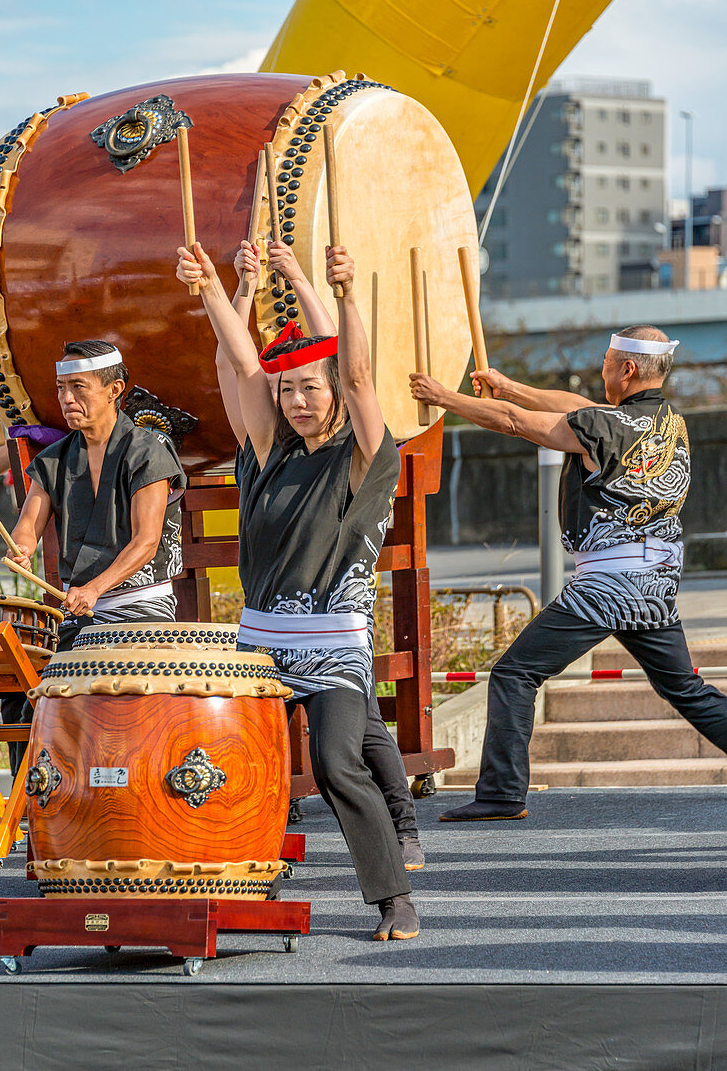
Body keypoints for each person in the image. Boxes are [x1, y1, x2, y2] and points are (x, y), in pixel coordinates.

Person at [177, 237, 420, 940]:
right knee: (223, 759)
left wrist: (343, 295)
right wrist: (213, 290)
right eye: (290, 389)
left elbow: (363, 377)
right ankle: (228, 882)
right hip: (258, 652)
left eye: (313, 386)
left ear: (334, 393)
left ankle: (394, 897)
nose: (300, 398)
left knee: (336, 760)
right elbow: (241, 361)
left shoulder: (366, 458)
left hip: (333, 653)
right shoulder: (265, 452)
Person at [410, 326, 727, 822]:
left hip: (609, 585)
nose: (600, 371)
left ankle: (501, 794)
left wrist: (444, 398)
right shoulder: (665, 422)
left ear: (626, 369)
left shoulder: (607, 427)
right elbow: (574, 405)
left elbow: (516, 424)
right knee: (685, 689)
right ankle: (502, 792)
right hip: (657, 582)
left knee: (515, 673)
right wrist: (508, 384)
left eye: (606, 361)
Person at [0, 340, 186, 774]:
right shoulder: (54, 459)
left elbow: (145, 541)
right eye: (61, 387)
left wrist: (96, 588)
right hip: (79, 614)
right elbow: (29, 523)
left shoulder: (148, 450)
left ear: (114, 388)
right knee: (31, 697)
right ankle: (45, 803)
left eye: (78, 387)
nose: (66, 399)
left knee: (122, 705)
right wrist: (21, 547)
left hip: (141, 608)